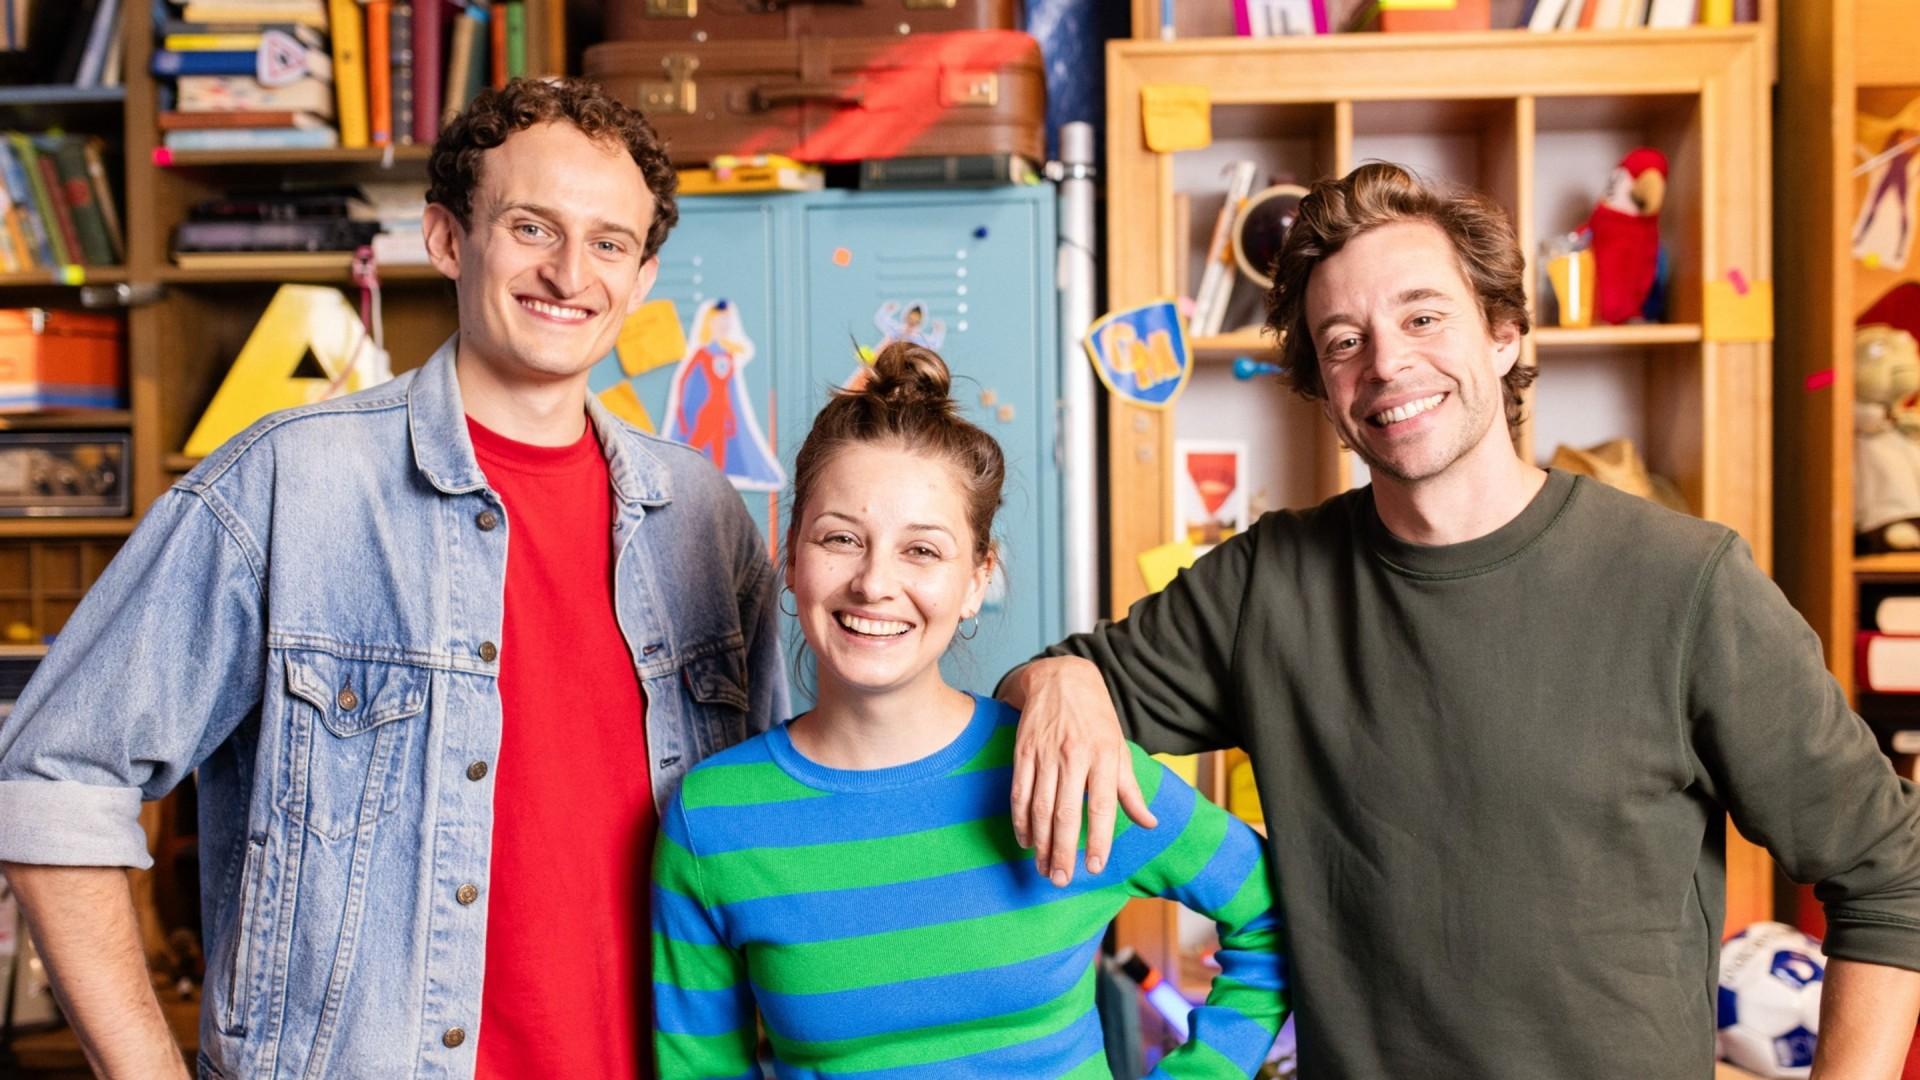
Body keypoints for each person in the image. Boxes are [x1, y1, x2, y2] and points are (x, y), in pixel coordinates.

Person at [1001, 162, 1920, 1078]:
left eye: (1423, 318)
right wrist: (1059, 677)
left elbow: (1890, 876)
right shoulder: (1265, 585)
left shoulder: (1687, 584)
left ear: (1504, 335)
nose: (1387, 363)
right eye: (1344, 340)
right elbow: (1018, 717)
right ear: (1324, 390)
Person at [0, 77, 785, 1078]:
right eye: (532, 228)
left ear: (641, 281)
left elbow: (786, 820)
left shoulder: (703, 518)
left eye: (608, 243)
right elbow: (52, 778)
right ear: (447, 239)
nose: (569, 273)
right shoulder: (290, 484)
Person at [651, 342, 1289, 1078]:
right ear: (791, 557)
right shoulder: (712, 819)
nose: (874, 583)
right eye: (841, 539)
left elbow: (1271, 914)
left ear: (978, 579)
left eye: (922, 551)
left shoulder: (1068, 766)